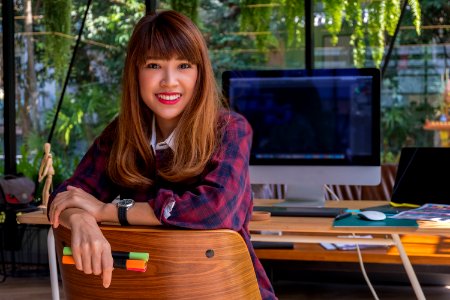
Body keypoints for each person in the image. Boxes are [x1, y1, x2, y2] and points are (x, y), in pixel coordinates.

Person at [47, 10, 276, 299]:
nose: (169, 81)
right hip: (142, 291)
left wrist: (108, 211)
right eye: (154, 65)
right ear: (136, 72)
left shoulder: (229, 130)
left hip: (225, 290)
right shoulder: (121, 134)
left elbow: (215, 211)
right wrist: (81, 220)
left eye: (183, 65)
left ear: (200, 73)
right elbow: (67, 196)